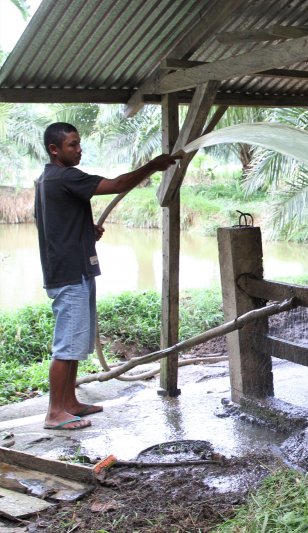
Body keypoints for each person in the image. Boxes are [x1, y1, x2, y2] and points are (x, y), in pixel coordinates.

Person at [35, 122, 181, 430]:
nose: (78, 150)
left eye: (79, 144)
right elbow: (115, 185)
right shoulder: (65, 176)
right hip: (70, 274)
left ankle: (69, 403)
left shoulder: (46, 180)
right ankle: (54, 413)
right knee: (66, 345)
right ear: (54, 150)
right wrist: (153, 166)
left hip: (75, 269)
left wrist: (85, 232)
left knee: (75, 342)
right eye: (72, 145)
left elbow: (50, 221)